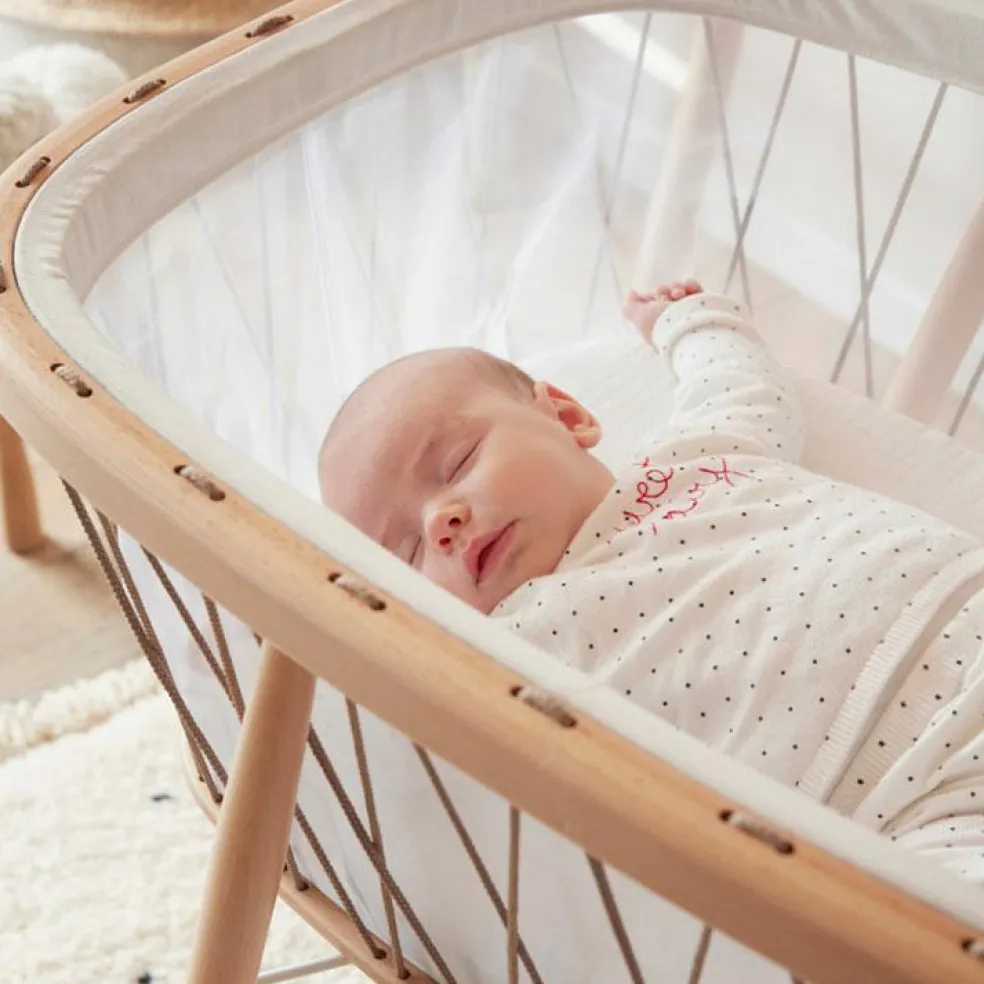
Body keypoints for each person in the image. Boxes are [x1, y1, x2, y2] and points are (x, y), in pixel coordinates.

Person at [319, 279, 984, 883]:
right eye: (408, 552)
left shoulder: (687, 460)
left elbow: (743, 391)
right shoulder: (511, 656)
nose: (441, 522)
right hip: (887, 804)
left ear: (567, 418)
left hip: (959, 611)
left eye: (458, 462)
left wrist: (688, 321)